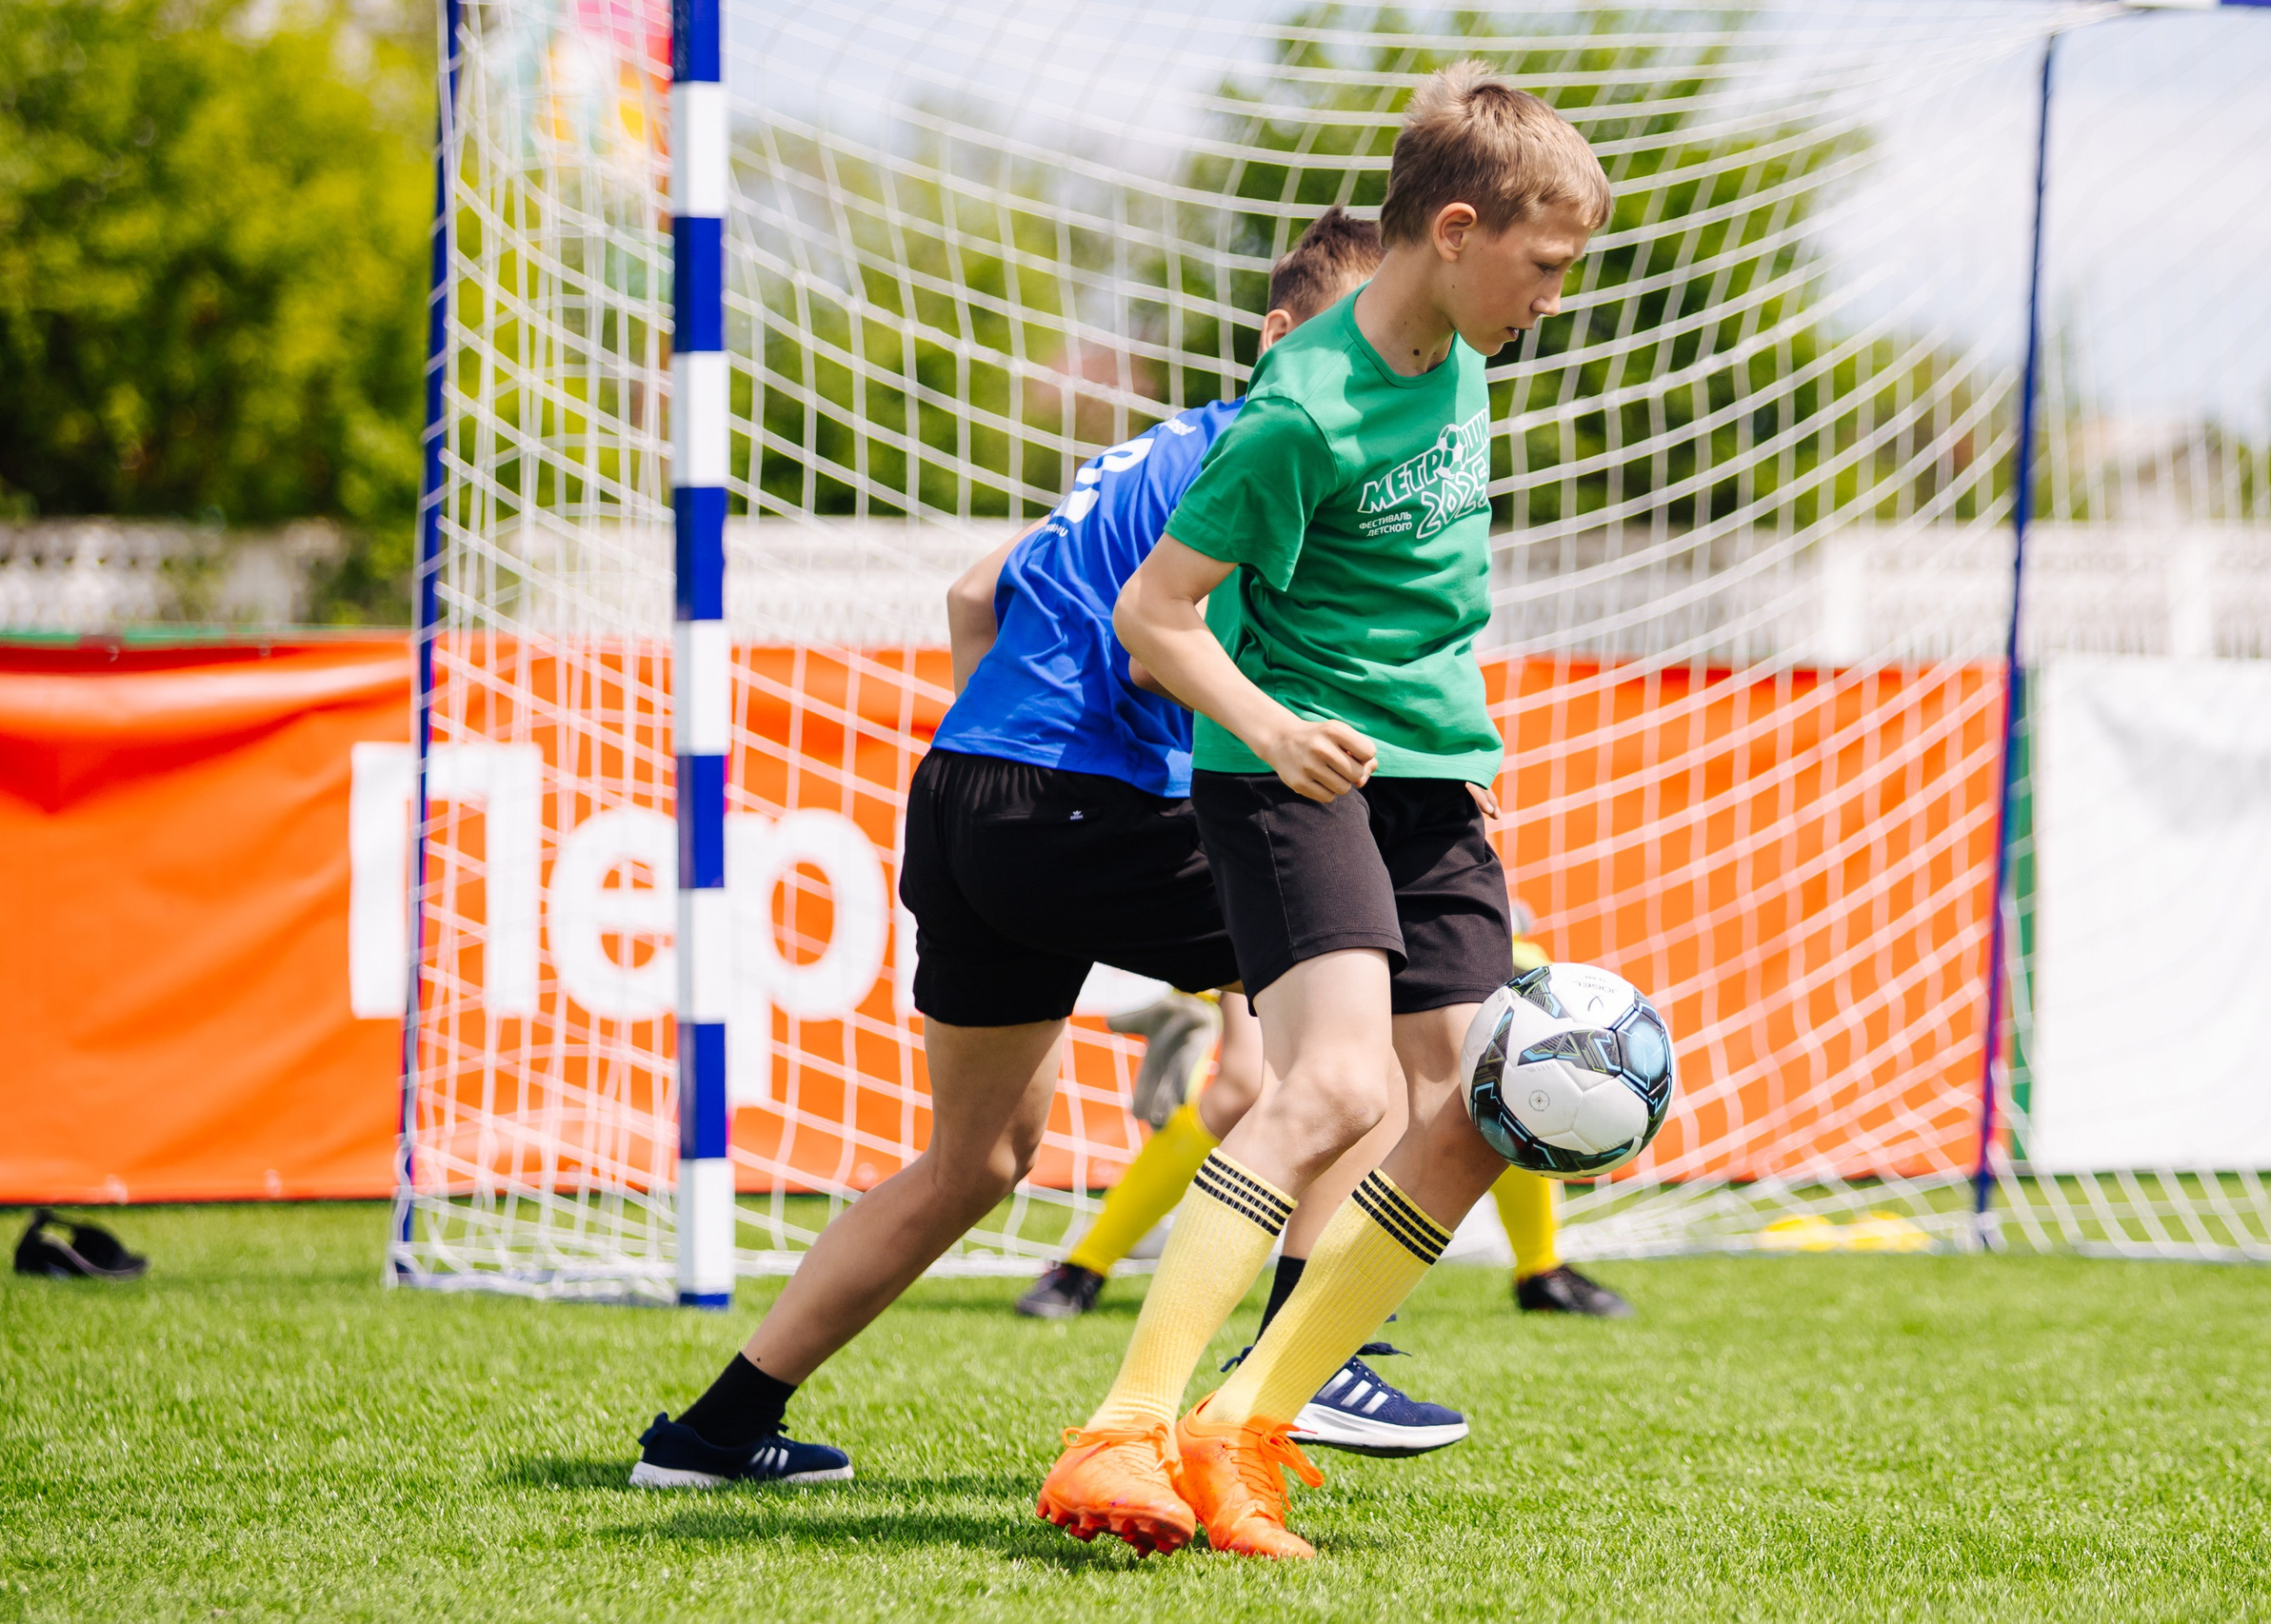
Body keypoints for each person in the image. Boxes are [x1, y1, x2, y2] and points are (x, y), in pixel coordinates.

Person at [628, 208, 1463, 1491]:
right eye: (1368, 332)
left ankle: (714, 1431)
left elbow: (976, 590)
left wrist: (1008, 760)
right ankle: (1318, 1350)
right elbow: (1148, 646)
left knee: (980, 1163)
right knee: (1373, 992)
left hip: (966, 790)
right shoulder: (1276, 447)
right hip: (1080, 799)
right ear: (1283, 336)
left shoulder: (1153, 448)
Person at [1035, 63, 1611, 1559]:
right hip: (1291, 780)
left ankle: (1248, 1426)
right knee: (1339, 1091)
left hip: (1435, 789)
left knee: (1495, 1105)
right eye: (1545, 266)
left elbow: (1447, 147)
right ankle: (1126, 1426)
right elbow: (1155, 614)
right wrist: (1278, 729)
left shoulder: (1467, 346)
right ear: (1462, 232)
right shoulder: (1298, 411)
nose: (1556, 296)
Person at [1019, 920, 1634, 1326]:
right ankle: (1085, 1266)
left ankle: (1540, 1271)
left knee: (1498, 1071)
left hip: (1411, 906)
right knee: (1242, 1091)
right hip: (1307, 911)